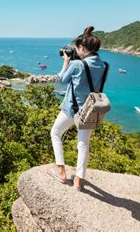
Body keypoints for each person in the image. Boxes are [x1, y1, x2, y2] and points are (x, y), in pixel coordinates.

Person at [47, 26, 107, 190]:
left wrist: (66, 62)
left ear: (81, 47)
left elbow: (62, 80)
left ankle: (61, 171)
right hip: (89, 110)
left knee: (55, 133)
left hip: (71, 109)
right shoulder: (104, 65)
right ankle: (79, 180)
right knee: (83, 145)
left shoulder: (76, 64)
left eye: (77, 48)